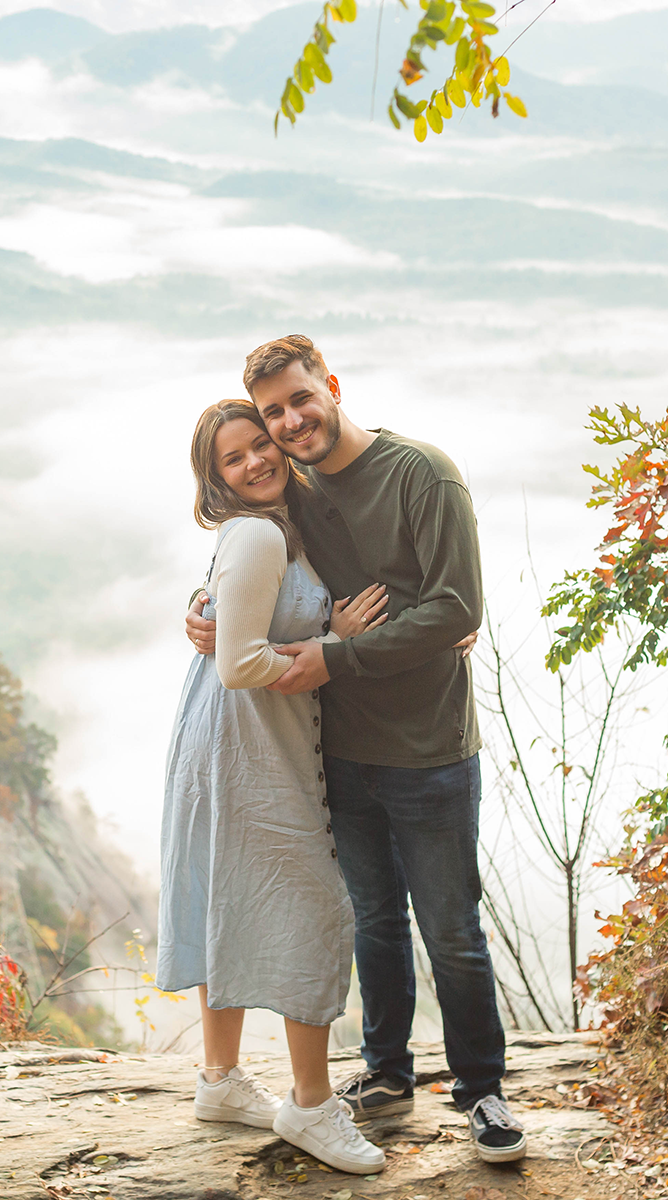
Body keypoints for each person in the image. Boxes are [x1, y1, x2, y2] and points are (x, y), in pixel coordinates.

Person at [185, 336, 527, 1165]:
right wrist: (199, 608)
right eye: (273, 414)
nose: (290, 422)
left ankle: (482, 1090)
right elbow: (249, 559)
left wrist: (335, 656)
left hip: (429, 746)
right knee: (371, 919)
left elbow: (454, 607)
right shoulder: (294, 489)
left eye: (301, 400)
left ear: (332, 386)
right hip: (336, 746)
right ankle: (385, 1071)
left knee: (449, 928)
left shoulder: (421, 474)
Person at [159, 399, 392, 1176]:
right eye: (235, 458)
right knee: (315, 907)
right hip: (245, 745)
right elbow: (237, 662)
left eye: (260, 444)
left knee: (231, 891)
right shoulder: (258, 532)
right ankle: (310, 1105)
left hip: (228, 739)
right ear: (215, 478)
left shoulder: (279, 527)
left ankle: (220, 1081)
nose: (257, 461)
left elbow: (227, 622)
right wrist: (335, 643)